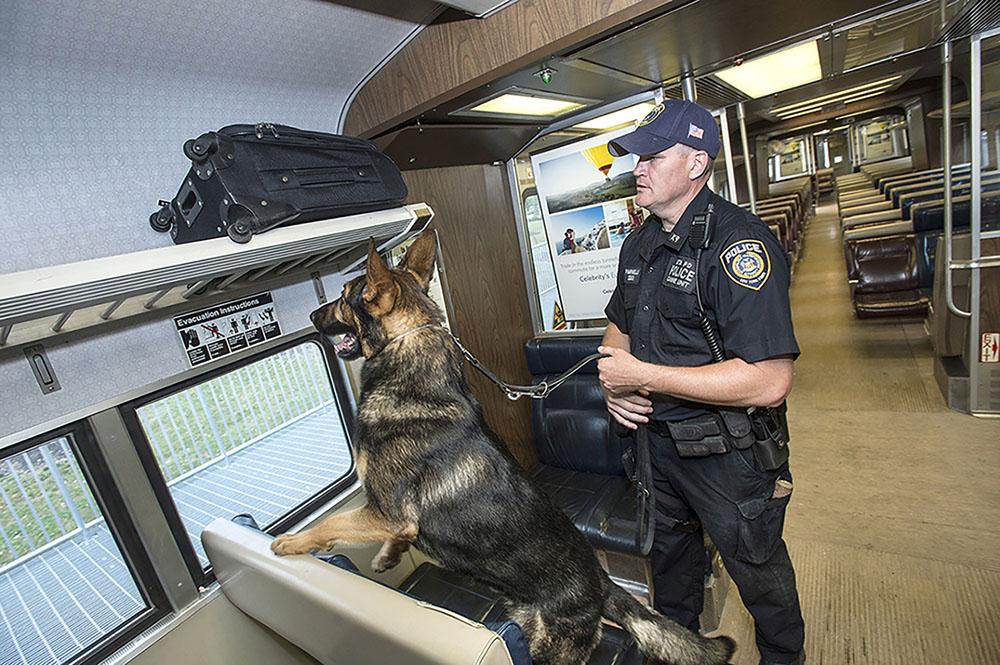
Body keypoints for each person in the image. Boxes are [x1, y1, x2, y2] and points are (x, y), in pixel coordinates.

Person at [596, 99, 805, 665]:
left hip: (727, 456)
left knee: (760, 579)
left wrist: (643, 375)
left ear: (696, 164)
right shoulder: (639, 243)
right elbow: (620, 325)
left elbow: (768, 380)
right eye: (635, 158)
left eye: (652, 156)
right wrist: (618, 382)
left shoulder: (739, 243)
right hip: (655, 451)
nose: (636, 168)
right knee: (672, 582)